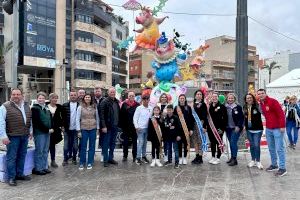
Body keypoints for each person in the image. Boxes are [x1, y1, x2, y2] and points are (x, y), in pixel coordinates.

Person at [0, 88, 32, 186]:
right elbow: (1, 122)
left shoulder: (26, 105)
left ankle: (19, 174)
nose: (16, 96)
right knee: (11, 157)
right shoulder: (4, 106)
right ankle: (12, 178)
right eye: (14, 94)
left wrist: (30, 131)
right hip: (12, 136)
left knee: (22, 155)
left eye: (18, 94)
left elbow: (29, 119)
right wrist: (3, 136)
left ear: (22, 95)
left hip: (24, 135)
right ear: (11, 95)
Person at [257, 89, 287, 176]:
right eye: (259, 94)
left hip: (277, 128)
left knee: (279, 148)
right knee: (271, 148)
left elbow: (281, 114)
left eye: (262, 93)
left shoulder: (273, 101)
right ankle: (274, 165)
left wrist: (282, 126)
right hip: (269, 128)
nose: (261, 95)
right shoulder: (261, 104)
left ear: (266, 94)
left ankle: (282, 168)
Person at [76, 94, 100, 170]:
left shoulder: (94, 107)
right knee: (83, 146)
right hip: (83, 128)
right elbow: (77, 119)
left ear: (91, 98)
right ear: (84, 98)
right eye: (86, 97)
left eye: (89, 97)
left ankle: (90, 162)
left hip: (93, 128)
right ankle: (82, 162)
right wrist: (78, 130)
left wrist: (98, 129)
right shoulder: (80, 107)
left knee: (92, 146)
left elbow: (97, 118)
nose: (87, 98)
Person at [31, 92, 53, 175]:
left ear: (45, 99)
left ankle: (44, 167)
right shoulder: (35, 108)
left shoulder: (46, 108)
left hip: (47, 132)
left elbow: (50, 118)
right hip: (40, 133)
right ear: (37, 99)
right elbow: (37, 122)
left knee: (45, 150)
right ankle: (38, 168)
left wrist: (51, 127)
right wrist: (47, 130)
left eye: (43, 98)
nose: (41, 99)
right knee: (39, 151)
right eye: (39, 98)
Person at [100, 87, 120, 167]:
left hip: (115, 126)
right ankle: (105, 160)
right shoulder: (104, 101)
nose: (113, 93)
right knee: (106, 144)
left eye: (114, 92)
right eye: (111, 92)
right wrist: (103, 126)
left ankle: (110, 158)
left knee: (112, 144)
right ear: (108, 93)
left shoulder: (116, 101)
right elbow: (101, 115)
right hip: (107, 127)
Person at [243, 93, 264, 169]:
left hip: (258, 129)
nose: (249, 99)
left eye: (250, 98)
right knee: (251, 145)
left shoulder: (258, 106)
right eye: (247, 98)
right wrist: (244, 126)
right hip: (249, 130)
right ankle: (253, 160)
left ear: (253, 98)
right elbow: (244, 117)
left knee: (256, 145)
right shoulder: (244, 107)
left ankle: (258, 161)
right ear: (245, 100)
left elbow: (264, 112)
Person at [207, 92, 228, 165]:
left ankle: (218, 158)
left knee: (219, 143)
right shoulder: (209, 106)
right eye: (213, 96)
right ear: (211, 98)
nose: (214, 98)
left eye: (216, 96)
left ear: (218, 98)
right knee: (212, 143)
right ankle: (213, 156)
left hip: (219, 129)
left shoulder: (222, 106)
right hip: (210, 128)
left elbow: (225, 119)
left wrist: (222, 129)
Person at [174, 94, 194, 165]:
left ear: (185, 99)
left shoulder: (188, 107)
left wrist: (191, 129)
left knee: (186, 144)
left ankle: (185, 158)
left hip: (186, 129)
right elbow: (174, 120)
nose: (182, 99)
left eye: (183, 98)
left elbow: (191, 119)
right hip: (178, 130)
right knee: (179, 144)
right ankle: (180, 158)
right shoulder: (176, 108)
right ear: (179, 100)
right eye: (180, 98)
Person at [120, 91, 139, 162]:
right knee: (125, 142)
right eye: (130, 96)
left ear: (134, 97)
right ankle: (125, 156)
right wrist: (121, 125)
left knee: (134, 142)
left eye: (132, 96)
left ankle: (135, 156)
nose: (131, 97)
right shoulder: (124, 104)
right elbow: (121, 115)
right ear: (128, 96)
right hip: (126, 126)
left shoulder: (137, 105)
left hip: (134, 127)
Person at [225, 93, 244, 166]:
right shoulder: (225, 107)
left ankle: (234, 159)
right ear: (227, 99)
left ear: (234, 99)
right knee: (231, 143)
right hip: (228, 128)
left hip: (235, 128)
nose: (230, 99)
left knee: (233, 142)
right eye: (229, 98)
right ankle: (232, 158)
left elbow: (241, 118)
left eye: (232, 98)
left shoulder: (238, 107)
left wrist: (238, 126)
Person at [133, 94, 152, 165]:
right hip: (140, 129)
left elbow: (151, 118)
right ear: (142, 100)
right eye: (144, 99)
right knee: (140, 143)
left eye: (147, 99)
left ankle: (143, 156)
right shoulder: (139, 108)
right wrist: (136, 127)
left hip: (147, 129)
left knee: (145, 143)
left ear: (149, 100)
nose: (146, 101)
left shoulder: (150, 108)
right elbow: (135, 118)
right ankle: (138, 158)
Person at [62, 90, 79, 166]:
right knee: (66, 145)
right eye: (71, 95)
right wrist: (62, 126)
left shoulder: (80, 105)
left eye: (74, 95)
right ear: (69, 96)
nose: (73, 96)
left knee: (75, 145)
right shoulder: (64, 105)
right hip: (66, 128)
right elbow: (62, 117)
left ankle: (74, 158)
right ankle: (65, 159)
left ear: (77, 96)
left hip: (76, 129)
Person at [191, 90, 208, 164]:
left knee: (200, 140)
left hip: (200, 124)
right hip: (193, 124)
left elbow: (205, 116)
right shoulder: (192, 104)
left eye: (200, 94)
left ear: (202, 96)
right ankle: (197, 155)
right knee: (195, 140)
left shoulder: (203, 104)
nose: (199, 95)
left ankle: (200, 157)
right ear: (195, 96)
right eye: (197, 94)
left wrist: (204, 127)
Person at [47, 93, 63, 168]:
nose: (55, 99)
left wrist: (61, 126)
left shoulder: (59, 107)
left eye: (56, 98)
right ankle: (45, 161)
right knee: (46, 146)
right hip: (47, 129)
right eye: (53, 98)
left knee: (52, 145)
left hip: (55, 129)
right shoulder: (46, 106)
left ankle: (53, 160)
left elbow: (62, 118)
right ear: (50, 99)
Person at [157, 93, 169, 162]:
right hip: (158, 125)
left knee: (165, 141)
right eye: (162, 97)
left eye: (165, 97)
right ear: (160, 98)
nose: (163, 98)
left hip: (166, 127)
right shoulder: (157, 105)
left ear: (166, 98)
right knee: (158, 141)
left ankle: (166, 155)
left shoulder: (169, 105)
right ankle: (158, 154)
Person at [94, 87, 104, 160]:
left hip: (103, 123)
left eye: (99, 91)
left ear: (101, 92)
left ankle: (103, 154)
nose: (97, 92)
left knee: (103, 139)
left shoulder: (104, 100)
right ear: (94, 92)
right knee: (93, 139)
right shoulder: (91, 100)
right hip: (93, 123)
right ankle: (92, 153)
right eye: (96, 91)